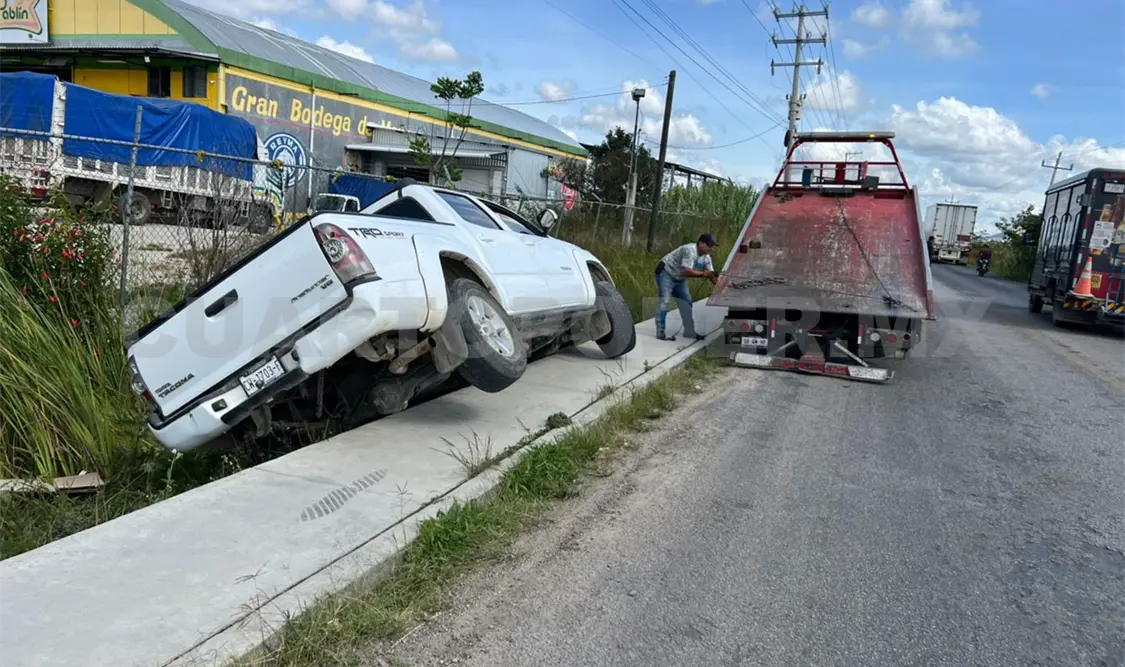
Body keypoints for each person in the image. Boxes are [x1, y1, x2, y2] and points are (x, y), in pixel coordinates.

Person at [655, 233, 718, 341]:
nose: (711, 248)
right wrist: (703, 274)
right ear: (701, 243)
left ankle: (689, 331)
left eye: (712, 246)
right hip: (666, 273)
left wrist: (719, 287)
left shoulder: (706, 257)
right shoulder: (689, 250)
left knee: (687, 302)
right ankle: (660, 331)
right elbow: (687, 271)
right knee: (664, 302)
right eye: (709, 245)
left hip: (679, 278)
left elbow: (711, 274)